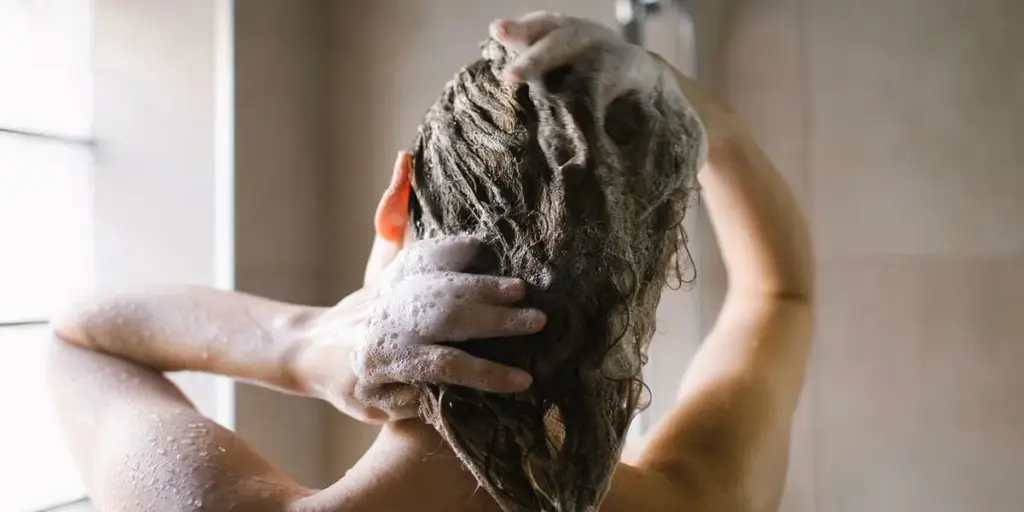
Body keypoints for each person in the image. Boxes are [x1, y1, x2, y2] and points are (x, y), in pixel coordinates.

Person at [47, 12, 813, 512]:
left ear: (398, 203)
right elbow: (780, 294)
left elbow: (83, 335)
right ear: (635, 296)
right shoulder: (700, 498)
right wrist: (713, 125)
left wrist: (313, 346)